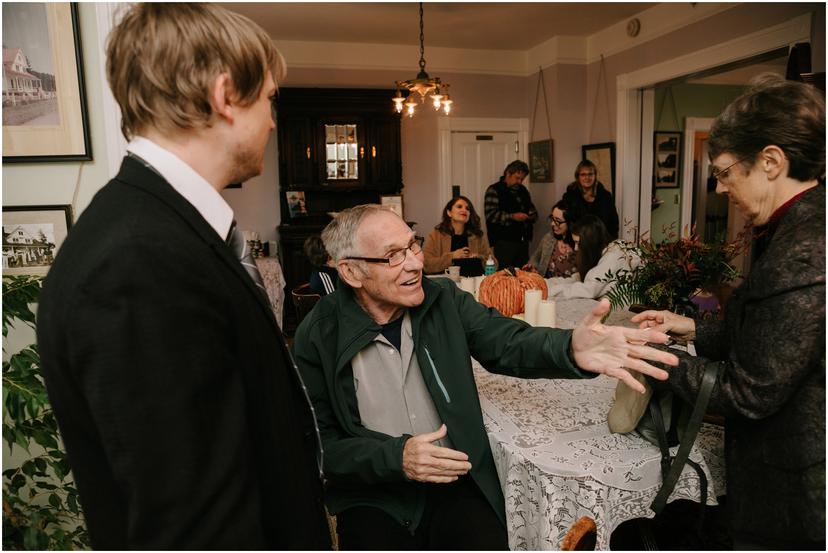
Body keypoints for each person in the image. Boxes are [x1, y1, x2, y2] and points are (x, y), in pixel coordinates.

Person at [35, 4, 330, 549]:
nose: (271, 119)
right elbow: (195, 527)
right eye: (268, 98)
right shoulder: (138, 263)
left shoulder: (167, 230)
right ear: (224, 96)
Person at [293, 204, 678, 550]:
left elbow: (508, 341)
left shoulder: (444, 299)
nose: (414, 262)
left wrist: (571, 348)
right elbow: (318, 445)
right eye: (392, 256)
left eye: (413, 245)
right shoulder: (319, 335)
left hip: (458, 483)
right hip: (375, 494)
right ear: (351, 271)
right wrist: (396, 457)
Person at [632, 75, 825, 550]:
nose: (719, 188)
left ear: (772, 161)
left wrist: (655, 358)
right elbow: (765, 334)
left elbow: (747, 391)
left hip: (797, 482)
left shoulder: (803, 252)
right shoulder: (793, 226)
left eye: (723, 172)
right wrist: (690, 327)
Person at [545, 215, 637, 301]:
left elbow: (588, 290)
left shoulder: (614, 255)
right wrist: (543, 284)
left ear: (590, 241)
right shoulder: (601, 253)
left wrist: (547, 291)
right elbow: (577, 279)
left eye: (578, 243)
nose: (576, 248)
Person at [422, 195, 495, 276]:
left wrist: (479, 258)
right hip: (444, 284)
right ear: (449, 213)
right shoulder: (436, 235)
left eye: (467, 209)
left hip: (472, 284)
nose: (464, 210)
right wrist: (452, 256)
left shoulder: (477, 237)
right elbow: (427, 265)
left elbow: (495, 264)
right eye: (459, 207)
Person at [484, 160, 538, 267]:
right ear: (508, 174)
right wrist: (513, 216)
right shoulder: (494, 190)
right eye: (517, 178)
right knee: (504, 274)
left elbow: (532, 209)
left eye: (522, 179)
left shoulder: (523, 190)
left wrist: (531, 215)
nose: (519, 182)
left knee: (522, 273)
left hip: (523, 241)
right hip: (503, 242)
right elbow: (491, 215)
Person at [562, 160, 620, 238]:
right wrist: (561, 239)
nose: (587, 177)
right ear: (577, 177)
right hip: (576, 242)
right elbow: (563, 221)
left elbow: (613, 223)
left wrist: (611, 244)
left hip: (601, 242)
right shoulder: (569, 196)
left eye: (590, 174)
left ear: (595, 176)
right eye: (583, 174)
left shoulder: (606, 196)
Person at [523, 199, 577, 278]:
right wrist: (532, 268)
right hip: (549, 287)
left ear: (570, 222)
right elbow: (535, 259)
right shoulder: (549, 237)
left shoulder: (579, 243)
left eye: (558, 221)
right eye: (552, 219)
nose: (552, 224)